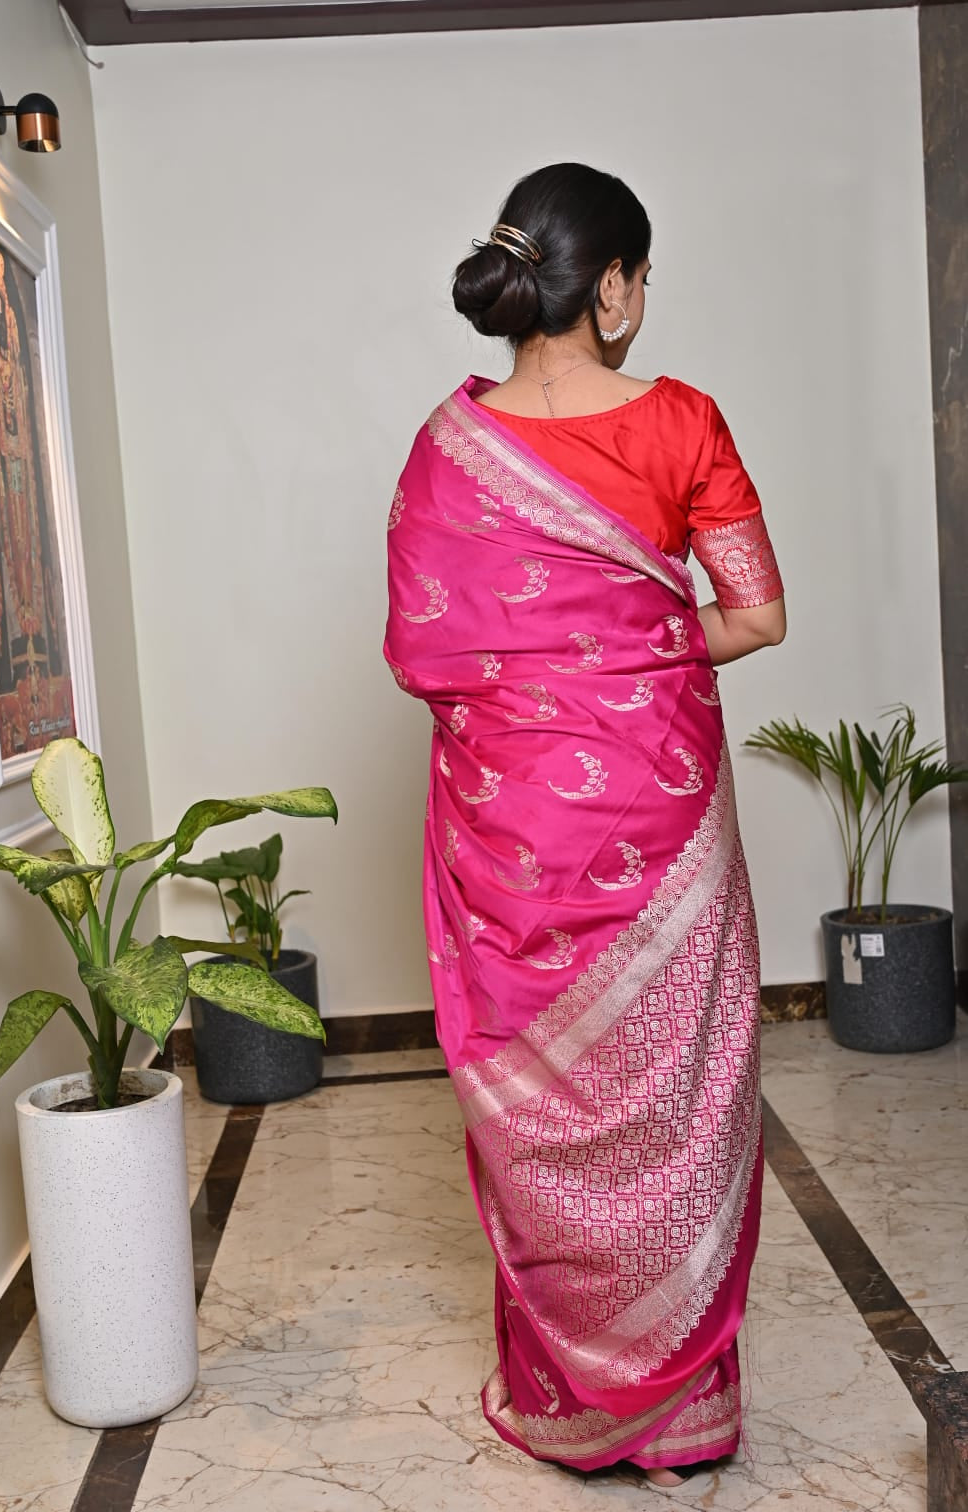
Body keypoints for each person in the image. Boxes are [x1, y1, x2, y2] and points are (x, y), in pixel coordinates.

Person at [384, 162, 785, 1491]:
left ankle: (568, 1402)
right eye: (641, 281)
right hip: (656, 814)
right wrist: (633, 661)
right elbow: (752, 613)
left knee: (541, 1103)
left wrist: (550, 678)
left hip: (512, 840)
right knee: (674, 1092)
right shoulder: (682, 421)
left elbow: (423, 656)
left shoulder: (448, 448)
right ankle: (679, 1413)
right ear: (611, 287)